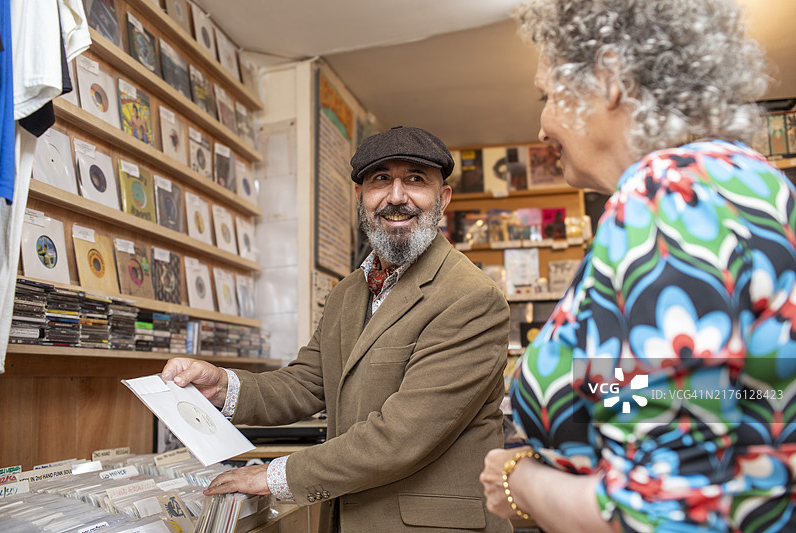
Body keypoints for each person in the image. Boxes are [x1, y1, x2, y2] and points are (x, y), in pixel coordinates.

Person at [479, 1, 796, 532]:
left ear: (609, 79)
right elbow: (716, 393)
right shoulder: (752, 184)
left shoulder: (668, 193)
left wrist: (519, 480)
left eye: (547, 95)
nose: (540, 126)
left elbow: (666, 516)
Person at [163, 126, 512, 533]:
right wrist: (222, 386)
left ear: (443, 198)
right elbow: (307, 383)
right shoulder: (348, 292)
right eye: (380, 179)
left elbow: (403, 435)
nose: (396, 196)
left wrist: (273, 476)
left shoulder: (471, 297)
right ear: (360, 198)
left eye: (416, 179)